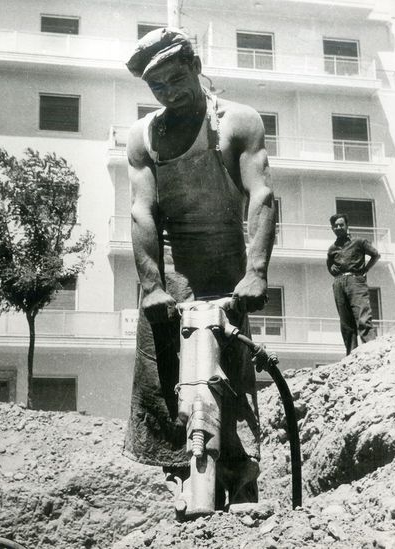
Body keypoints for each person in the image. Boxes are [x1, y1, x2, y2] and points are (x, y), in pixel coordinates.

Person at [121, 28, 278, 508]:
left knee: (228, 374)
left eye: (175, 79)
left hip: (227, 266)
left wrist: (256, 271)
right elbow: (142, 212)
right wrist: (151, 286)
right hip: (172, 268)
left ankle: (239, 470)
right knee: (164, 374)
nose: (169, 93)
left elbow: (262, 196)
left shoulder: (237, 122)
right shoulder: (144, 136)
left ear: (194, 64)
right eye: (158, 87)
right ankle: (179, 478)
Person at [326, 213, 380, 355]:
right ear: (332, 228)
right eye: (335, 226)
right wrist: (331, 268)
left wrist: (366, 269)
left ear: (347, 226)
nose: (338, 227)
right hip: (339, 283)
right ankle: (351, 355)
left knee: (363, 316)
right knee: (346, 323)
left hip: (355, 280)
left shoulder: (359, 242)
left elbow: (375, 254)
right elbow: (330, 263)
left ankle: (371, 350)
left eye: (341, 224)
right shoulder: (332, 248)